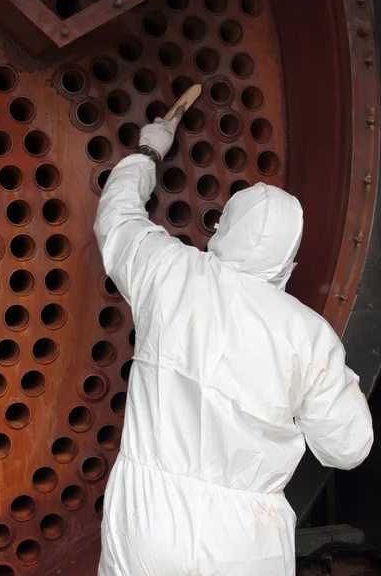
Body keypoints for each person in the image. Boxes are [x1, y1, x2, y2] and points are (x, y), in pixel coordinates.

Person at [94, 110, 373, 576]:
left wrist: (149, 149)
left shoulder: (169, 272)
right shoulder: (308, 336)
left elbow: (116, 217)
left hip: (148, 523)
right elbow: (348, 448)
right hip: (247, 542)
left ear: (224, 228)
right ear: (290, 254)